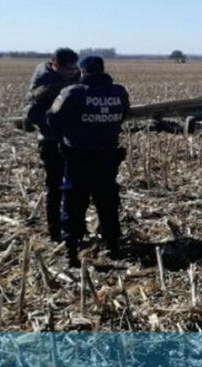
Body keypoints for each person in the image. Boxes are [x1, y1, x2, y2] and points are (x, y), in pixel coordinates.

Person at [47, 56, 129, 267]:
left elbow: (53, 120)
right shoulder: (119, 93)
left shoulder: (73, 93)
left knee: (74, 203)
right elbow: (123, 115)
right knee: (108, 201)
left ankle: (71, 250)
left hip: (78, 158)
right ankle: (113, 245)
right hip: (107, 157)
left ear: (82, 72)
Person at [25, 48, 80, 241]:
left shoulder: (75, 76)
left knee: (75, 188)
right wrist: (56, 123)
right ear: (55, 65)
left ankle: (74, 228)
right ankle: (55, 233)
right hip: (51, 142)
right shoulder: (43, 83)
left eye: (75, 68)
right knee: (56, 188)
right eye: (68, 68)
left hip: (72, 142)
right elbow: (32, 113)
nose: (73, 72)